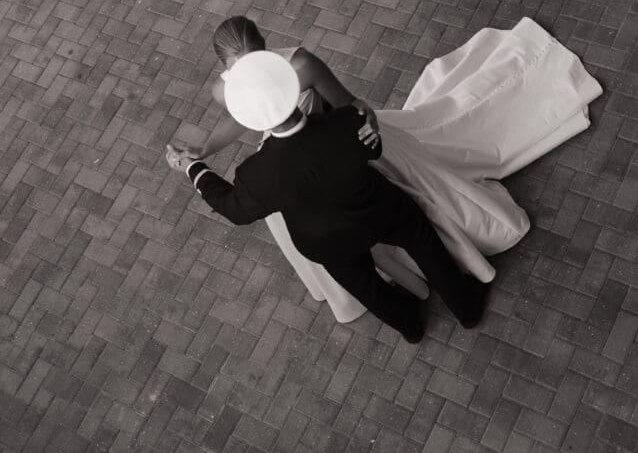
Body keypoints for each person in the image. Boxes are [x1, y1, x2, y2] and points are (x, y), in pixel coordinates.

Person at [169, 15, 603, 323]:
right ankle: (460, 300)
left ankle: (408, 317)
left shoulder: (293, 85)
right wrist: (207, 146)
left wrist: (364, 122)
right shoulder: (235, 99)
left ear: (266, 52)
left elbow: (347, 103)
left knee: (353, 254)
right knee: (409, 224)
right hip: (327, 160)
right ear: (225, 73)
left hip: (317, 170)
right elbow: (248, 118)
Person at [166, 51, 490, 342]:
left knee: (365, 285)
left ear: (253, 118)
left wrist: (194, 168)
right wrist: (368, 124)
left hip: (325, 241)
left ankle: (408, 324)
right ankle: (464, 304)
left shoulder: (255, 174)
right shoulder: (344, 121)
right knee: (420, 238)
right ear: (292, 93)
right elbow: (374, 148)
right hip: (377, 210)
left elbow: (234, 210)